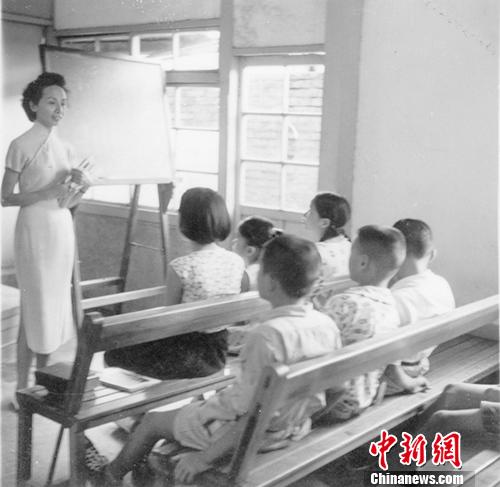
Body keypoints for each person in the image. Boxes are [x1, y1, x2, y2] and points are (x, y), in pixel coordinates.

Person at [100, 234, 341, 485]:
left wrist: (202, 459)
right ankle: (145, 465)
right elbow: (338, 388)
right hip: (291, 428)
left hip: (237, 433)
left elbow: (252, 416)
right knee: (189, 410)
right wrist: (296, 420)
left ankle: (109, 476)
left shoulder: (266, 336)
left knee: (152, 421)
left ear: (270, 282)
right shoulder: (326, 325)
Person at [1, 72, 90, 406]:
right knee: (35, 308)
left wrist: (81, 186)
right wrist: (48, 191)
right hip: (34, 230)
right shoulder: (20, 145)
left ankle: (39, 385)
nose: (59, 109)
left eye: (63, 103)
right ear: (33, 104)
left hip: (60, 229)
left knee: (49, 310)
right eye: (52, 102)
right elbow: (5, 197)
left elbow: (68, 202)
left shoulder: (67, 147)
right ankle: (25, 388)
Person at [104, 187, 246, 380]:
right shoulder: (236, 261)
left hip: (184, 355)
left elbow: (168, 322)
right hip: (217, 352)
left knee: (114, 352)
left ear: (185, 222)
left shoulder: (181, 267)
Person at [313, 225, 417, 423]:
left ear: (362, 262)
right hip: (363, 398)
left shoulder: (343, 302)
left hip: (331, 404)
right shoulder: (393, 306)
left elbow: (316, 344)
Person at [383, 219, 455, 395]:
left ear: (394, 254)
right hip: (421, 364)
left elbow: (386, 358)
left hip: (396, 377)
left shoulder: (397, 299)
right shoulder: (442, 284)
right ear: (433, 254)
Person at [303, 192, 352, 308]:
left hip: (317, 309)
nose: (305, 215)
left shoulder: (315, 252)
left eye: (311, 211)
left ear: (324, 222)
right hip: (340, 307)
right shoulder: (350, 246)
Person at [232, 216, 281, 290]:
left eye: (238, 238)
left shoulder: (246, 277)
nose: (234, 241)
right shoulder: (270, 272)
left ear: (250, 251)